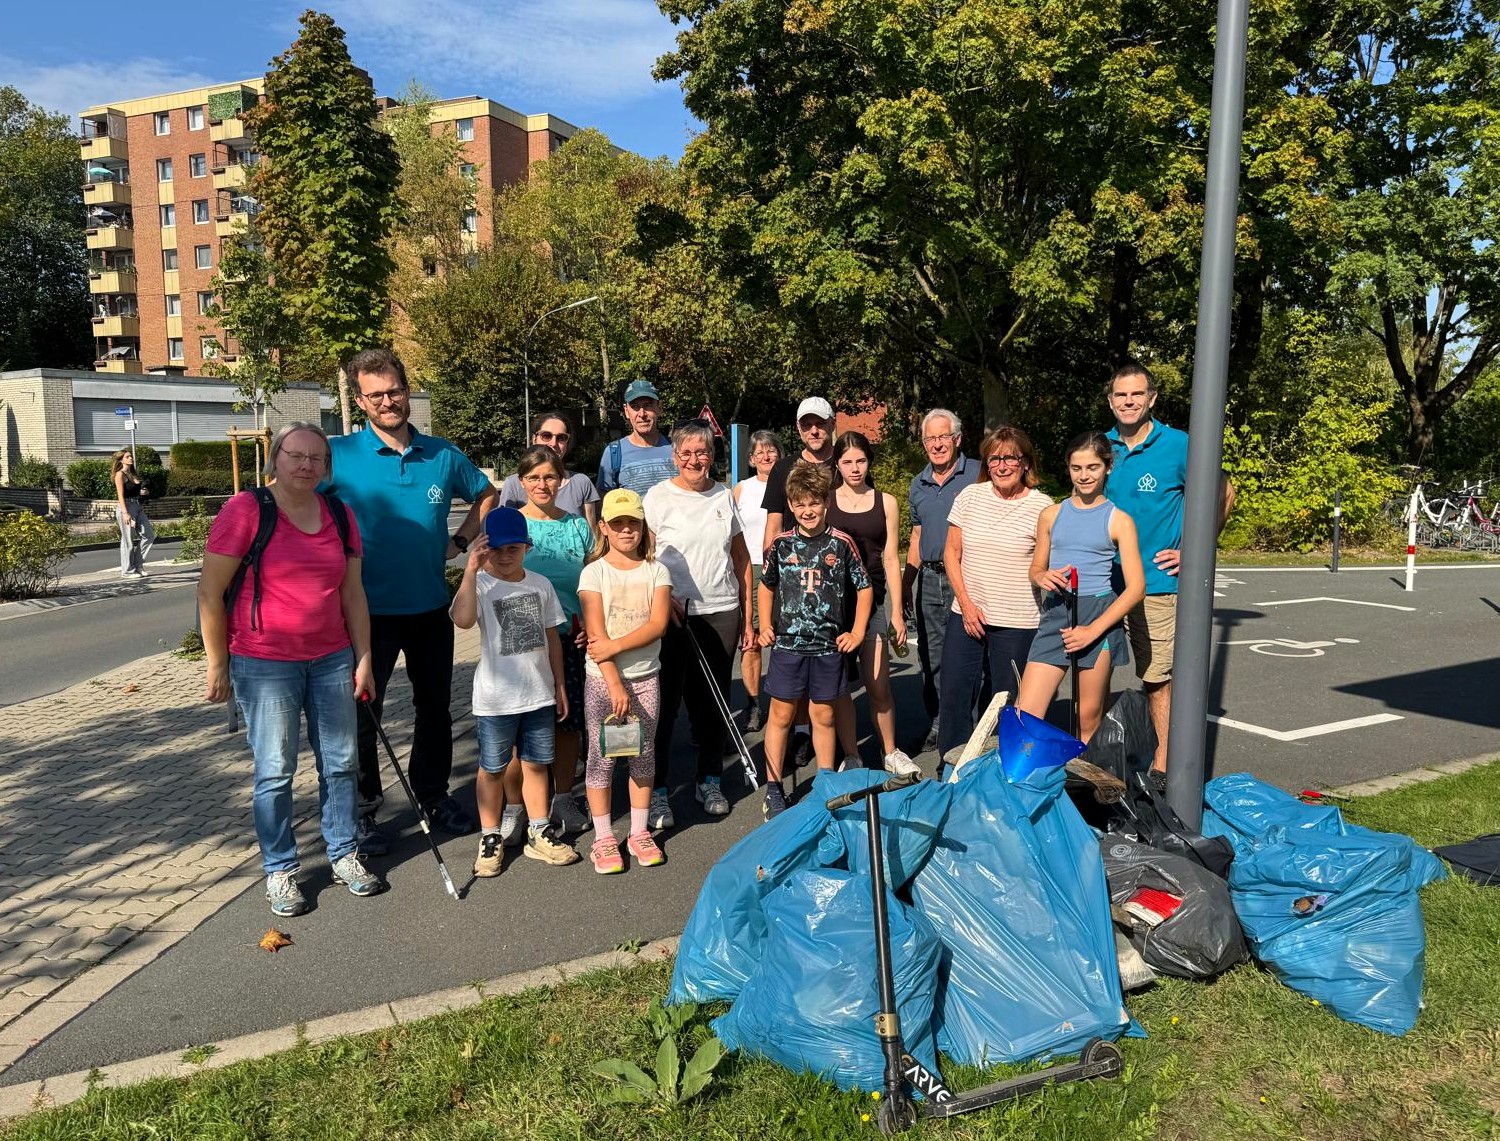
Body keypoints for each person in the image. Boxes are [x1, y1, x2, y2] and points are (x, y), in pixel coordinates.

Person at [198, 422, 385, 916]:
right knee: (275, 771)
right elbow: (209, 591)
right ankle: (280, 869)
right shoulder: (246, 510)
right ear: (275, 459)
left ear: (327, 467)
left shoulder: (340, 514)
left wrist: (364, 658)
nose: (305, 465)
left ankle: (343, 853)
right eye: (295, 455)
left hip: (331, 659)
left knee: (341, 762)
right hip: (264, 663)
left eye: (316, 458)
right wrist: (218, 662)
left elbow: (352, 593)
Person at [326, 348, 496, 856]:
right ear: (359, 401)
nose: (388, 402)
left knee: (434, 710)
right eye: (375, 395)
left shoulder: (441, 455)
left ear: (406, 390)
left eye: (394, 391)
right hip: (364, 613)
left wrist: (460, 541)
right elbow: (288, 495)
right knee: (363, 715)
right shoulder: (338, 455)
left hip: (428, 608)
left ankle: (432, 795)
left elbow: (486, 494)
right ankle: (363, 811)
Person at [1104, 361, 1235, 788]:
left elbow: (1224, 492)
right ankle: (1097, 760)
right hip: (1105, 584)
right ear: (1110, 400)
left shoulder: (1179, 445)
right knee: (1094, 672)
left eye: (1137, 394)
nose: (1129, 401)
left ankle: (1163, 768)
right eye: (1121, 395)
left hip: (1156, 585)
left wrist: (1196, 550)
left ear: (1152, 398)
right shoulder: (1102, 447)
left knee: (1157, 678)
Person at [450, 506, 578, 870]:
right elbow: (462, 621)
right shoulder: (481, 585)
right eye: (496, 549)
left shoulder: (540, 584)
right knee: (493, 768)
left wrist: (560, 684)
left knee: (537, 764)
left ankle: (539, 830)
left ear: (526, 547)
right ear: (484, 548)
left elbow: (552, 638)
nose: (505, 556)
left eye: (513, 549)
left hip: (538, 693)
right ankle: (490, 835)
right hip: (496, 699)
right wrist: (470, 570)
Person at [642, 421, 754, 829]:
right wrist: (660, 596)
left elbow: (741, 559)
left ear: (711, 455)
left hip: (720, 609)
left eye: (702, 452)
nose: (694, 460)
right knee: (665, 705)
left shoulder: (724, 495)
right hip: (670, 613)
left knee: (714, 703)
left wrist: (748, 616)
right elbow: (643, 557)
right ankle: (657, 791)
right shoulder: (658, 497)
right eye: (686, 453)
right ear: (675, 457)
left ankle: (709, 780)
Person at [758, 461, 873, 818]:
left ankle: (825, 783)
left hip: (827, 647)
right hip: (788, 645)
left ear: (826, 503)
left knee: (823, 715)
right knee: (781, 715)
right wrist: (765, 623)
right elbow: (766, 585)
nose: (808, 510)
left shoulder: (841, 543)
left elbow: (864, 587)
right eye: (800, 504)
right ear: (791, 506)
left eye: (814, 503)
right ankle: (773, 788)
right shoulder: (781, 544)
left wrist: (857, 631)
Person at [1017, 432, 1146, 741]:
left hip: (1097, 617)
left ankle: (1090, 773)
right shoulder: (1051, 514)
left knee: (1087, 718)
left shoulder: (1120, 520)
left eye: (1093, 467)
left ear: (1108, 467)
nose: (1084, 475)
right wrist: (1041, 577)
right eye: (1077, 468)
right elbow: (1036, 568)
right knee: (1025, 715)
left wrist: (1092, 630)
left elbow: (1136, 588)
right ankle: (1027, 772)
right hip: (1057, 613)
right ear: (1068, 468)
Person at [938, 426, 1053, 764]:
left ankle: (1000, 772)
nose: (1002, 466)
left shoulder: (1043, 507)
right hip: (967, 615)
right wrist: (966, 604)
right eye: (994, 458)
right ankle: (953, 768)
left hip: (1019, 621)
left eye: (1010, 458)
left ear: (1025, 463)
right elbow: (951, 553)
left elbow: (1050, 562)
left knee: (1007, 703)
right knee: (955, 695)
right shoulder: (970, 497)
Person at [497, 447, 595, 843]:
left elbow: (592, 581)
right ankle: (514, 806)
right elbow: (491, 580)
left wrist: (591, 623)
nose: (542, 484)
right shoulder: (510, 524)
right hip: (519, 641)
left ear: (562, 481)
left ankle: (563, 797)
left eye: (550, 477)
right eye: (534, 477)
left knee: (567, 722)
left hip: (569, 636)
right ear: (521, 482)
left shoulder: (577, 526)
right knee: (518, 728)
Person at [577, 488, 673, 873]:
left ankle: (638, 831)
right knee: (601, 758)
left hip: (646, 677)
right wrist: (615, 683)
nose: (626, 530)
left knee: (643, 754)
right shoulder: (594, 572)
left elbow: (658, 624)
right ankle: (603, 838)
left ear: (643, 525)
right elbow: (594, 634)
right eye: (617, 523)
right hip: (604, 682)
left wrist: (614, 645)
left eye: (633, 522)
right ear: (603, 527)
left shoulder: (656, 571)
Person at [825, 431, 919, 776]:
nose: (855, 468)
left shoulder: (886, 502)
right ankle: (851, 754)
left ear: (869, 462)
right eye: (847, 461)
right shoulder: (825, 501)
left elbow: (891, 559)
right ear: (837, 464)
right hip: (835, 607)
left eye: (861, 460)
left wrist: (897, 613)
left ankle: (890, 751)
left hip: (875, 600)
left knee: (879, 684)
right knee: (840, 687)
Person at [760, 397, 840, 764]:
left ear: (832, 424)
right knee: (791, 669)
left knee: (830, 671)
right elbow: (773, 523)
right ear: (798, 428)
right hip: (793, 580)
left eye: (820, 423)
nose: (814, 430)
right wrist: (771, 573)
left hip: (833, 577)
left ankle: (830, 744)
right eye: (807, 424)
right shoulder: (784, 468)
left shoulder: (845, 461)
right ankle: (801, 734)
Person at [902, 409, 976, 752]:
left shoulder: (978, 474)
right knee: (931, 655)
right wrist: (907, 581)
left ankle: (973, 724)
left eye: (942, 437)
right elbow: (917, 536)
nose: (936, 444)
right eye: (929, 438)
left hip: (969, 575)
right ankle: (939, 721)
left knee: (971, 653)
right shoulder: (918, 484)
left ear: (957, 439)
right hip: (930, 579)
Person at [732, 429, 783, 731]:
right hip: (750, 567)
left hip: (784, 568)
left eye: (771, 450)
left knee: (782, 638)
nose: (765, 456)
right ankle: (753, 705)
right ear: (751, 459)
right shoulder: (742, 489)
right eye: (759, 452)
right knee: (751, 640)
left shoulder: (788, 483)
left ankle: (783, 700)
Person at [498, 411, 600, 527]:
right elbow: (505, 529)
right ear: (534, 439)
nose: (553, 443)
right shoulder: (513, 484)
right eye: (546, 436)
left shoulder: (581, 483)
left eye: (561, 438)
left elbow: (591, 533)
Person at [596, 380, 676, 496]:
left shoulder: (677, 449)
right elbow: (603, 501)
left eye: (648, 405)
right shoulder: (614, 453)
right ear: (626, 411)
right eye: (635, 407)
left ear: (659, 408)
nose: (642, 414)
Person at [112, 449, 154, 578]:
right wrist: (125, 513)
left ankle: (138, 565)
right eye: (127, 456)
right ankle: (127, 571)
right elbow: (120, 495)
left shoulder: (133, 473)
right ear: (121, 460)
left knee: (148, 535)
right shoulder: (120, 474)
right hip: (126, 507)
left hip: (137, 507)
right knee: (128, 540)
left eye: (131, 456)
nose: (131, 458)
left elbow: (138, 492)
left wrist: (144, 493)